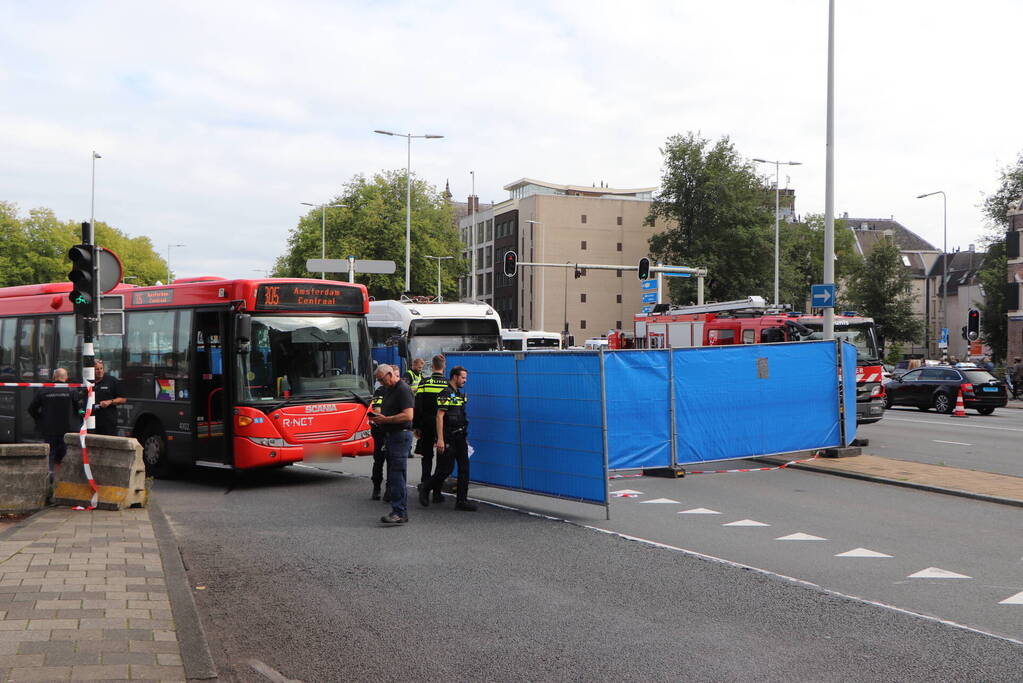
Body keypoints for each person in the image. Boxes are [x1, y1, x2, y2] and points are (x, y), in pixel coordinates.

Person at [418, 366, 476, 512]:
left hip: (461, 437)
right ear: (455, 377)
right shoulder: (445, 393)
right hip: (449, 437)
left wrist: (465, 437)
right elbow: (440, 416)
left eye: (465, 378)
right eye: (463, 377)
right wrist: (441, 439)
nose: (465, 380)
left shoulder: (458, 394)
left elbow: (461, 417)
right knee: (445, 470)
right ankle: (425, 487)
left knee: (464, 469)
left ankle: (461, 501)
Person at [368, 365, 415, 524]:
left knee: (397, 475)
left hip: (400, 436)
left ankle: (399, 512)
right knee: (395, 475)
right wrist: (379, 417)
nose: (381, 383)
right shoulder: (389, 389)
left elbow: (408, 415)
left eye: (382, 379)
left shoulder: (402, 389)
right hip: (392, 435)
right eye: (379, 381)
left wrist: (386, 420)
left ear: (390, 374)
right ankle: (399, 510)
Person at [28, 368, 80, 474]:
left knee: (49, 456)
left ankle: (49, 480)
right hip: (67, 430)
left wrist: (40, 419)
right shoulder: (72, 390)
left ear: (53, 377)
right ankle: (63, 481)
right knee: (65, 457)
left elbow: (31, 409)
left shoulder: (43, 390)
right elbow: (80, 409)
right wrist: (83, 417)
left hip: (49, 430)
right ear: (66, 378)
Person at [413, 354, 447, 492]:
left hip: (426, 424)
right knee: (441, 458)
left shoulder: (424, 382)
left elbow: (418, 406)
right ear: (443, 367)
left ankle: (425, 485)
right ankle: (437, 491)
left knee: (426, 456)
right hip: (443, 425)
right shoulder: (447, 383)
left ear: (432, 366)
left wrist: (416, 426)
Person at [89, 360, 126, 436]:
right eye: (97, 369)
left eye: (101, 368)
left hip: (108, 423)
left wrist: (110, 402)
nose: (99, 371)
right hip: (90, 422)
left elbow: (123, 399)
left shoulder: (112, 381)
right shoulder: (88, 382)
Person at [369, 383, 389, 501]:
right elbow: (377, 410)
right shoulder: (380, 391)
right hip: (380, 430)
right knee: (379, 459)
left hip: (393, 429)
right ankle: (376, 488)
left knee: (392, 462)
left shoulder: (399, 390)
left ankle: (389, 489)